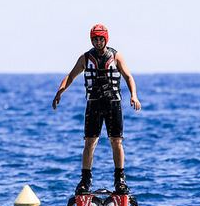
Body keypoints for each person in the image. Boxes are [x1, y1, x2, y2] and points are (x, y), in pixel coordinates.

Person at [52, 24, 141, 195]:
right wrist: (59, 92)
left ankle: (120, 180)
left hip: (113, 103)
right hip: (94, 104)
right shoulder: (85, 58)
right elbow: (70, 76)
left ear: (105, 39)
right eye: (95, 39)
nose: (98, 42)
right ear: (91, 40)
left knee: (116, 141)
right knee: (90, 142)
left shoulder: (116, 56)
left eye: (101, 39)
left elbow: (128, 76)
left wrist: (134, 95)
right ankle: (85, 181)